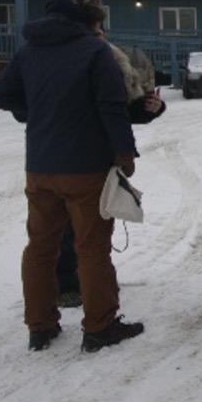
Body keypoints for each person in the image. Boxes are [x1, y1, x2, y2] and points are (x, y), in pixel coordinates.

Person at [0, 0, 145, 353]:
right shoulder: (94, 51)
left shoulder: (29, 51)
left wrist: (34, 113)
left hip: (40, 166)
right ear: (89, 21)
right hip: (86, 167)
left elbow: (1, 94)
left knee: (40, 248)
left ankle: (40, 326)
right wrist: (125, 152)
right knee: (92, 249)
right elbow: (111, 106)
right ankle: (100, 326)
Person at [56, 41, 166, 306]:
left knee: (91, 225)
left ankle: (86, 281)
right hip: (70, 154)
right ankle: (69, 286)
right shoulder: (59, 59)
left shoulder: (108, 58)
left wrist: (150, 108)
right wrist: (124, 152)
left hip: (89, 154)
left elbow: (121, 110)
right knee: (72, 226)